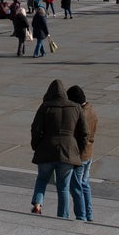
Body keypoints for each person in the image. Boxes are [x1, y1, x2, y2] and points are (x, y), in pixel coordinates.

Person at [29, 79, 88, 218]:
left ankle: (37, 204)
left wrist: (36, 145)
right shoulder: (76, 108)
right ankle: (63, 216)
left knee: (42, 179)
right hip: (68, 151)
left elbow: (35, 128)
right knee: (63, 187)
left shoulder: (45, 107)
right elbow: (84, 132)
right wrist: (78, 150)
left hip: (46, 148)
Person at [66, 85, 97, 222]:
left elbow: (80, 135)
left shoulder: (80, 114)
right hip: (89, 153)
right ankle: (89, 214)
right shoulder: (92, 111)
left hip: (81, 155)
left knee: (76, 186)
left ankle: (81, 215)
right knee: (85, 184)